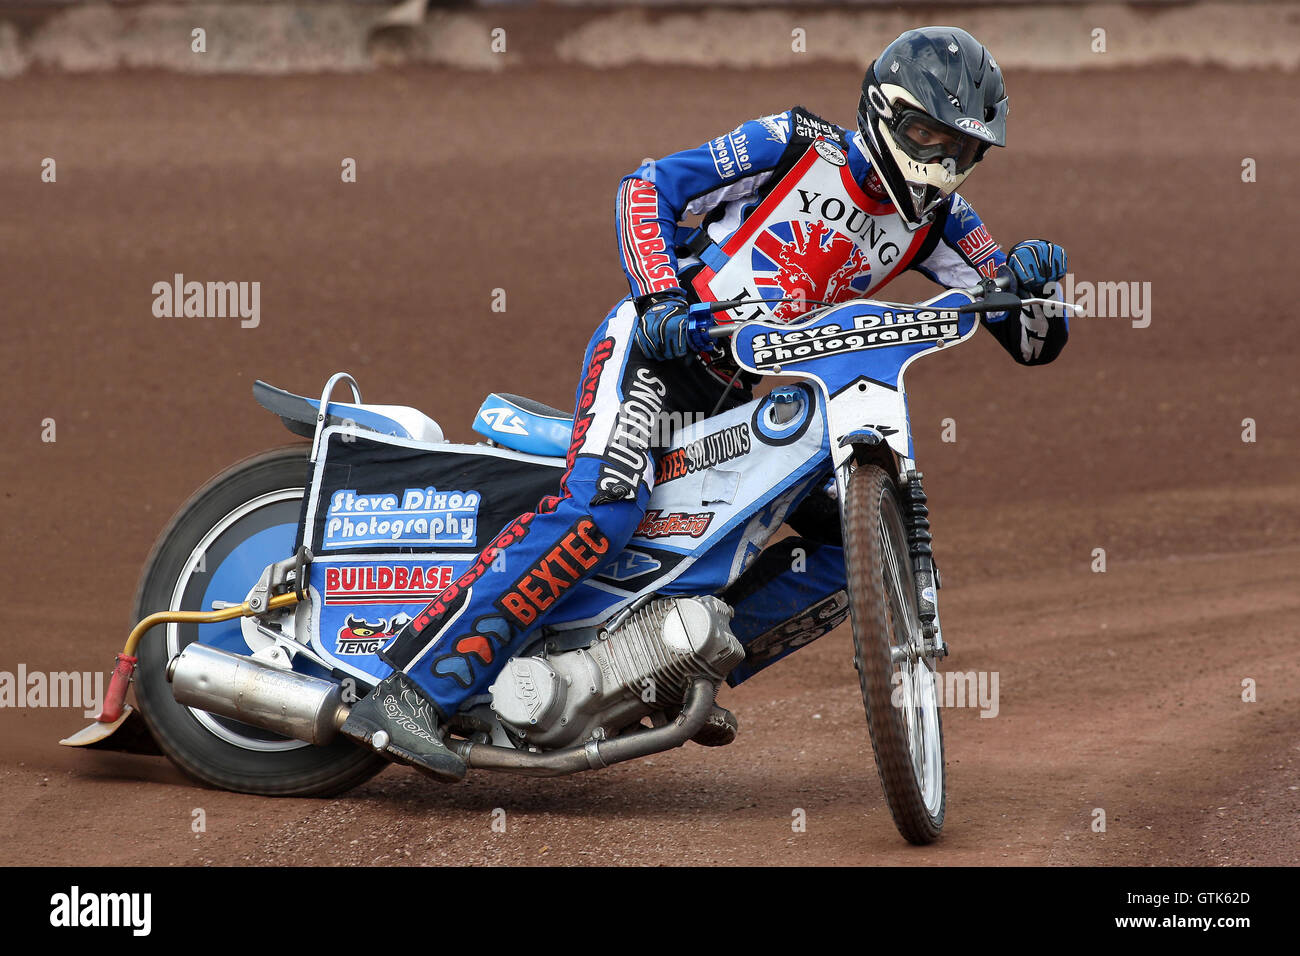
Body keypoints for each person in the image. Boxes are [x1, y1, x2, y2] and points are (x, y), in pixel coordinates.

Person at [340, 25, 1070, 781]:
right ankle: (412, 689)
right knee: (604, 511)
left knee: (843, 557)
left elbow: (1027, 337)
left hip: (732, 396)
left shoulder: (942, 225)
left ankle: (665, 668)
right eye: (927, 135)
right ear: (884, 112)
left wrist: (1037, 289)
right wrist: (657, 296)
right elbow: (646, 187)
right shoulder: (795, 144)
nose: (942, 163)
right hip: (656, 352)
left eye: (962, 150)